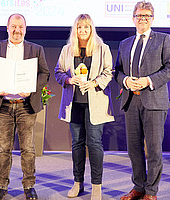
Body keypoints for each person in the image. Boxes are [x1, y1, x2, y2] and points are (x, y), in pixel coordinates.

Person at [114, 1, 170, 200]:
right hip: (130, 102)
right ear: (133, 18)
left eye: (146, 15)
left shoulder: (162, 39)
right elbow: (117, 71)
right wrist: (125, 80)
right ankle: (139, 187)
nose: (142, 19)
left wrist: (148, 81)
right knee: (134, 150)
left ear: (152, 18)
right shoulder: (125, 44)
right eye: (139, 15)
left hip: (154, 102)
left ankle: (151, 192)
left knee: (153, 150)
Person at [0, 14, 50, 200]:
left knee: (28, 149)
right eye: (13, 26)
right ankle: (1, 186)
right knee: (3, 149)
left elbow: (45, 73)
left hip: (25, 105)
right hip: (3, 105)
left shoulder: (36, 49)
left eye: (20, 27)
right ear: (7, 27)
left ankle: (29, 186)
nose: (17, 30)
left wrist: (32, 89)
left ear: (25, 29)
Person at [54, 14, 114, 200]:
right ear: (75, 29)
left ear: (91, 29)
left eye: (86, 27)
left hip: (95, 103)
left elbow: (109, 71)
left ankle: (96, 186)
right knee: (77, 144)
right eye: (79, 27)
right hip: (75, 104)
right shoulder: (67, 49)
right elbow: (58, 72)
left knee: (94, 143)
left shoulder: (102, 48)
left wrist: (95, 82)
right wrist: (69, 79)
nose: (82, 31)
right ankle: (77, 182)